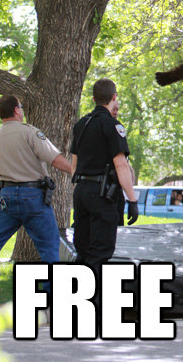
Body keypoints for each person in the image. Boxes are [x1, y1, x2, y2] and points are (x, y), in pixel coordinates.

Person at [0, 94, 72, 280]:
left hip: (7, 197)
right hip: (34, 196)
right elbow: (55, 159)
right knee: (49, 247)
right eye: (21, 107)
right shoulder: (30, 132)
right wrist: (76, 171)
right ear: (16, 110)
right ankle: (53, 299)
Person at [70, 79, 139, 276]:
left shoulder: (81, 124)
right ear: (114, 97)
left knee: (82, 249)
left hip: (81, 191)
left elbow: (74, 164)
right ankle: (93, 301)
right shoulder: (112, 126)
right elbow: (121, 165)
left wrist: (81, 190)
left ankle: (72, 298)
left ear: (94, 99)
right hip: (102, 195)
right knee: (100, 252)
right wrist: (132, 199)